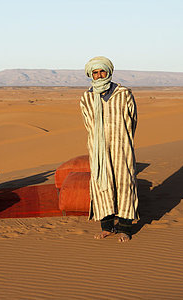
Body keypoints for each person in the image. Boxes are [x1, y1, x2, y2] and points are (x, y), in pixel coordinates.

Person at [79, 56, 139, 242]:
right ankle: (106, 227)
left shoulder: (123, 93)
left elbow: (133, 120)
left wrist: (122, 139)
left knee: (124, 184)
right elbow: (88, 124)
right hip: (98, 150)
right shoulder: (87, 97)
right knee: (101, 185)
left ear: (109, 72)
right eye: (95, 72)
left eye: (102, 71)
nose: (99, 75)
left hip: (122, 147)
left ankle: (125, 229)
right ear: (91, 75)